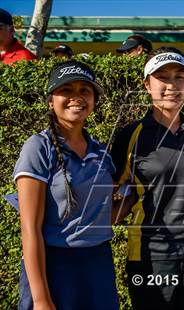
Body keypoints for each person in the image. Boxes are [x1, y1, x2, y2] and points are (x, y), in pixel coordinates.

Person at [111, 46, 184, 310]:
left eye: (179, 76)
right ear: (147, 85)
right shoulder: (130, 136)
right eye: (162, 77)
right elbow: (111, 190)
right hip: (150, 255)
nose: (172, 85)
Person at [14, 60, 119, 310]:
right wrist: (41, 299)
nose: (77, 97)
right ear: (51, 100)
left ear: (94, 100)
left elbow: (102, 217)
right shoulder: (38, 147)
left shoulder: (102, 152)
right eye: (67, 90)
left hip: (99, 264)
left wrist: (140, 195)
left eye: (85, 90)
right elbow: (30, 229)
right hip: (54, 265)